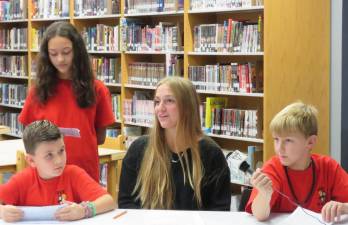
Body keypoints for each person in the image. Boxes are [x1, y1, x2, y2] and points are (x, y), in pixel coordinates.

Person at [18, 21, 115, 182]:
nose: (60, 59)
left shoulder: (97, 89)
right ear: (46, 55)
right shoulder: (37, 91)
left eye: (66, 52)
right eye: (53, 54)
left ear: (77, 51)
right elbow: (29, 136)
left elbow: (100, 137)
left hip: (84, 173)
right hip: (46, 175)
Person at [118, 76, 231, 210]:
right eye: (157, 101)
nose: (160, 108)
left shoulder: (211, 154)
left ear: (188, 107)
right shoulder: (139, 149)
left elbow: (220, 210)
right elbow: (126, 203)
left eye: (169, 101)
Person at [245, 102, 348, 222]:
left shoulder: (328, 167)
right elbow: (259, 215)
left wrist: (343, 207)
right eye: (276, 139)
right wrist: (264, 194)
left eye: (288, 140)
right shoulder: (273, 168)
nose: (279, 148)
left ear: (310, 142)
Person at [0, 120, 115, 222]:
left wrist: (85, 210)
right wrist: (2, 211)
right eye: (49, 155)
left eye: (61, 150)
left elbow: (109, 201)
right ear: (31, 160)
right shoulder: (22, 180)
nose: (59, 160)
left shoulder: (74, 174)